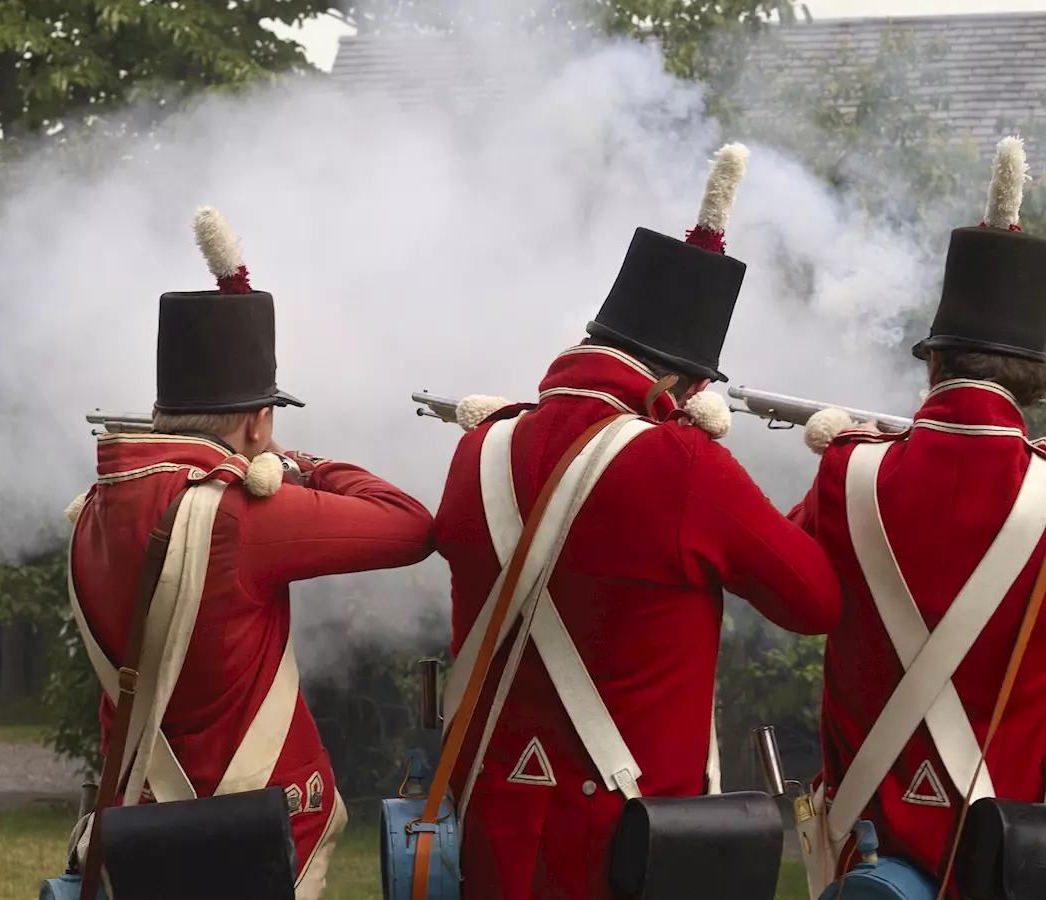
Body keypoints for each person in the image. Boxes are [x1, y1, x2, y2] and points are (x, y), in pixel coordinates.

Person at [430, 144, 844, 900]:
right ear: (684, 383)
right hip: (631, 853)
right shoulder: (684, 465)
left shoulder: (478, 451)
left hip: (490, 840)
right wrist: (839, 471)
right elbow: (815, 600)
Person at [66, 206, 434, 899]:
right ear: (259, 420)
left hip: (142, 830)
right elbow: (411, 525)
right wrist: (302, 462)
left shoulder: (92, 511)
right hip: (255, 831)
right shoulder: (239, 512)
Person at [789, 136, 1046, 899]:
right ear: (1033, 382)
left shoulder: (848, 473)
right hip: (1012, 859)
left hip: (863, 860)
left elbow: (793, 593)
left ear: (931, 363)